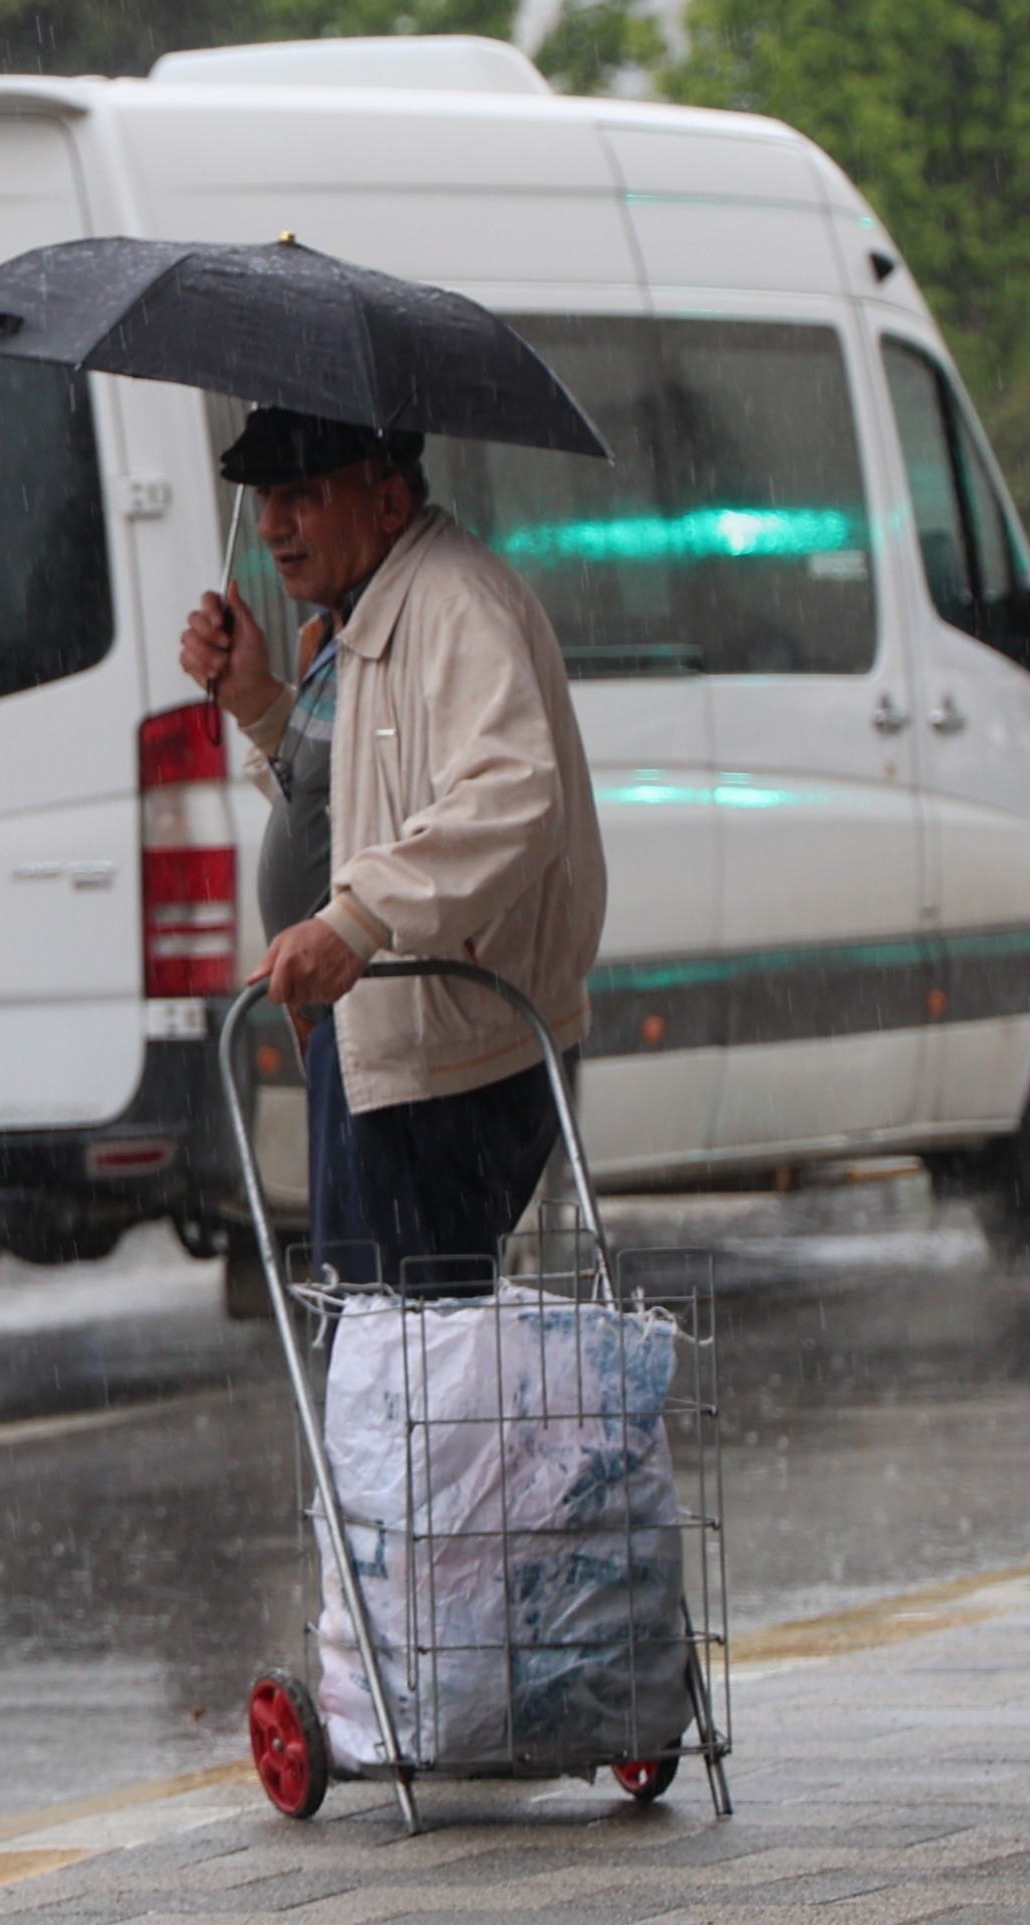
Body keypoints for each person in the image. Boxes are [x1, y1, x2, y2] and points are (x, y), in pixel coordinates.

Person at [179, 406, 606, 1294]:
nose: (269, 527)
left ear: (385, 500)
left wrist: (357, 921)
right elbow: (350, 804)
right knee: (387, 1349)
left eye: (299, 495)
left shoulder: (453, 604)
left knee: (407, 1354)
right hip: (380, 1041)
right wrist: (259, 701)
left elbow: (513, 796)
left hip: (442, 1060)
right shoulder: (355, 616)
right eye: (263, 498)